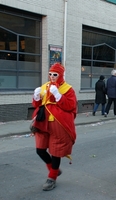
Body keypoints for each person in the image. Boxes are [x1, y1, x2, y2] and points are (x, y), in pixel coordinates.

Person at [31, 63, 77, 191]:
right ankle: (54, 169)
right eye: (50, 74)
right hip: (42, 123)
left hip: (59, 124)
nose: (52, 77)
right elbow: (38, 104)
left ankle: (52, 177)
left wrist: (58, 95)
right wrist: (36, 97)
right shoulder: (45, 86)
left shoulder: (68, 89)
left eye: (55, 74)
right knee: (40, 149)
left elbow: (71, 106)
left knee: (56, 152)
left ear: (60, 75)